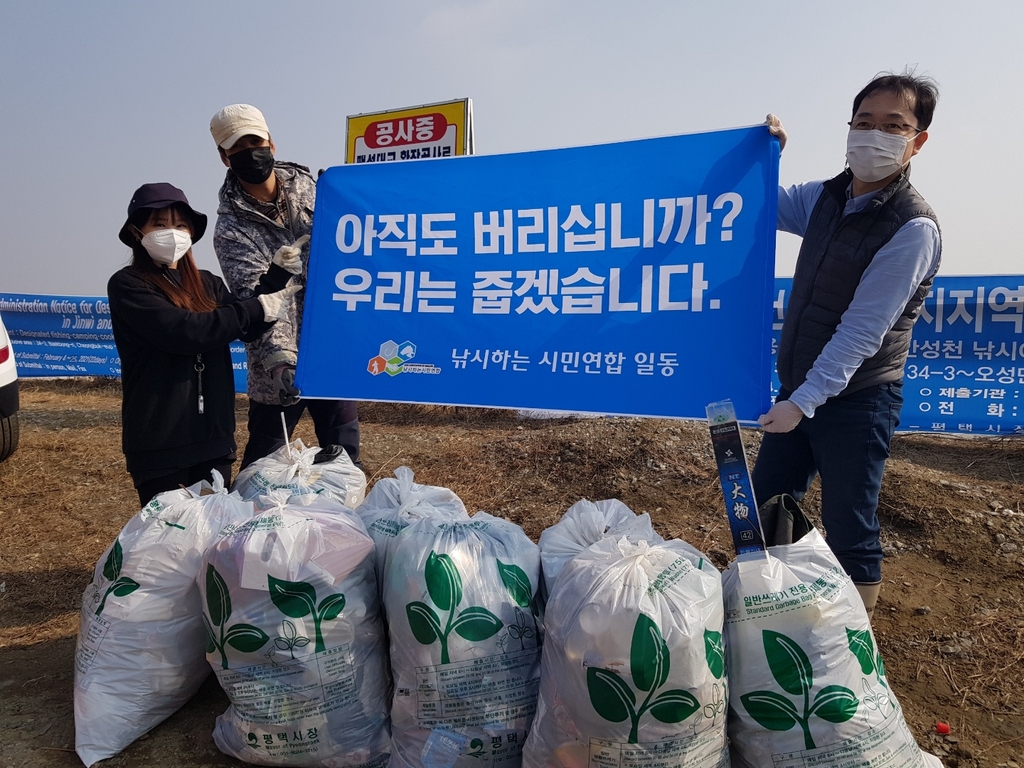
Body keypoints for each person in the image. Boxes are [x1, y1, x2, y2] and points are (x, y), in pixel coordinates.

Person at [753, 73, 941, 616]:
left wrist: (802, 402)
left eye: (893, 126)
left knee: (849, 528)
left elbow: (862, 332)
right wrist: (765, 158)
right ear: (848, 128)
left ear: (917, 141)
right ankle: (776, 616)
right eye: (864, 123)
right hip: (801, 390)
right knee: (766, 504)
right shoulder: (825, 199)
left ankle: (851, 658)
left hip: (857, 399)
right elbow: (761, 204)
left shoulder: (912, 227)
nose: (873, 136)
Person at [108, 183, 301, 505]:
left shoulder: (207, 283)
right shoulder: (128, 284)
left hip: (214, 436)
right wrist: (255, 308)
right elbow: (184, 331)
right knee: (170, 538)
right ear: (136, 231)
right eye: (159, 224)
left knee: (211, 534)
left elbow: (245, 328)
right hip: (160, 439)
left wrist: (275, 277)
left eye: (180, 225)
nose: (172, 232)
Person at [209, 103, 361, 469]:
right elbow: (257, 302)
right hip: (276, 371)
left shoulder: (314, 188)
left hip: (333, 348)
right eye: (237, 147)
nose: (250, 152)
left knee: (344, 460)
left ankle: (344, 524)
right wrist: (280, 361)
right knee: (263, 465)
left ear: (271, 143)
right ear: (224, 157)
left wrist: (355, 193)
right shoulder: (231, 229)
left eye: (254, 141)